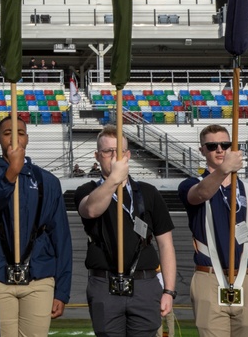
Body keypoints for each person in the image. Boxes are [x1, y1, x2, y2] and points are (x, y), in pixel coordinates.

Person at [0, 115, 71, 337]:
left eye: (20, 133)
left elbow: (60, 237)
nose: (14, 139)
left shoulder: (48, 181)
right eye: (7, 134)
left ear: (27, 138)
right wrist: (11, 174)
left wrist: (62, 291)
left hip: (38, 278)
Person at [74, 125, 176, 337]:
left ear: (128, 155)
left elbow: (165, 244)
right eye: (107, 152)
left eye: (119, 152)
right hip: (105, 284)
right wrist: (114, 179)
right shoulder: (87, 190)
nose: (113, 157)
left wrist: (168, 290)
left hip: (145, 284)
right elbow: (91, 209)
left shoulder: (149, 193)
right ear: (97, 156)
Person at [178, 124, 248, 337]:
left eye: (226, 145)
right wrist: (224, 170)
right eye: (212, 146)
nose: (220, 150)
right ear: (202, 150)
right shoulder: (190, 184)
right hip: (209, 278)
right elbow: (201, 194)